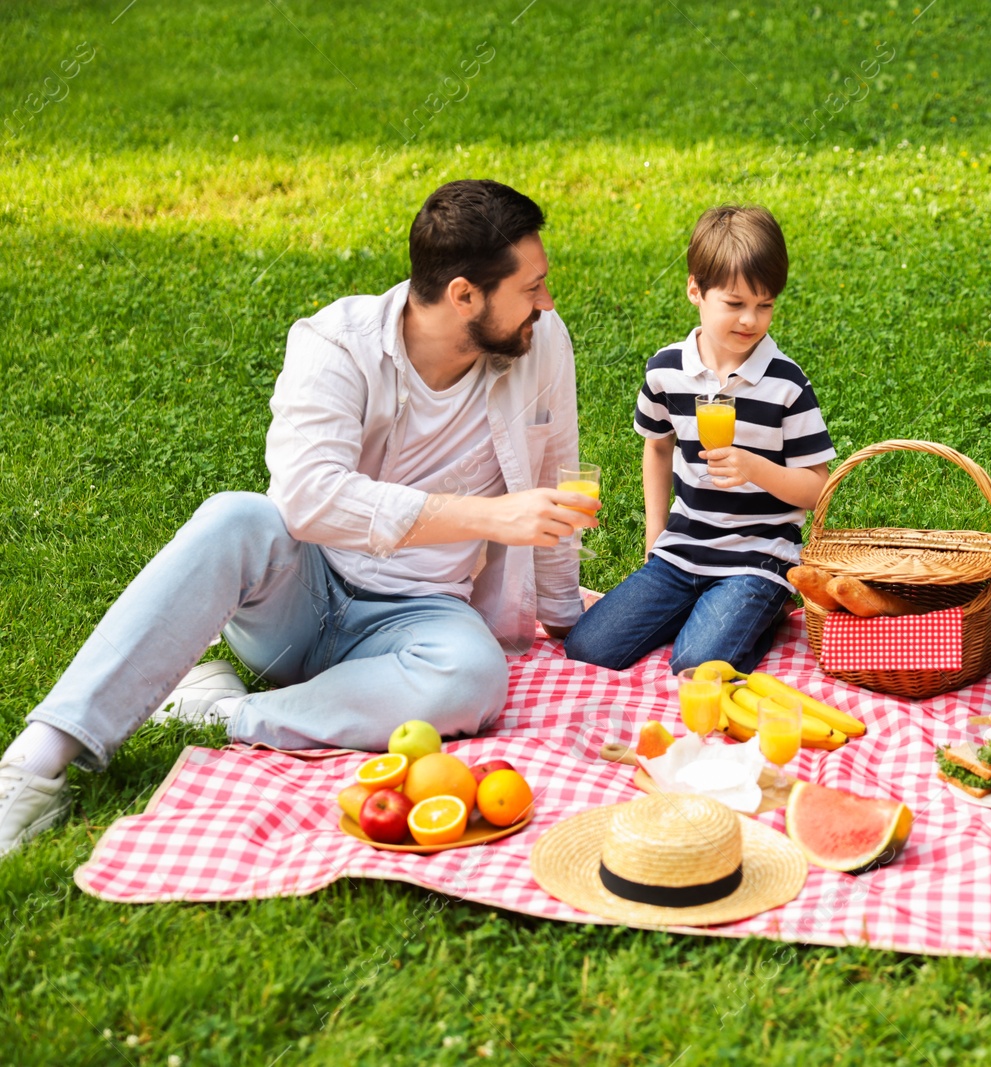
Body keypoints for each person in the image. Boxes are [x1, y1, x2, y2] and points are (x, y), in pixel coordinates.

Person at [0, 179, 600, 859]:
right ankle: (36, 761)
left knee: (475, 677)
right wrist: (489, 515)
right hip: (299, 601)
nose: (546, 303)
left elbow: (558, 476)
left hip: (422, 616)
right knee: (236, 517)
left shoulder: (541, 344)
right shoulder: (337, 345)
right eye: (532, 287)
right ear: (464, 294)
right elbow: (308, 498)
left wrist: (563, 615)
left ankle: (224, 711)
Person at [563, 205, 835, 674]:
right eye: (735, 303)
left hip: (758, 557)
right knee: (589, 647)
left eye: (765, 305)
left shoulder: (787, 385)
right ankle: (708, 610)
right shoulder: (666, 370)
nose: (751, 320)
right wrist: (655, 532)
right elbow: (656, 444)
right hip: (683, 549)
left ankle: (760, 610)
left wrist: (753, 468)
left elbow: (817, 490)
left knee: (696, 663)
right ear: (695, 289)